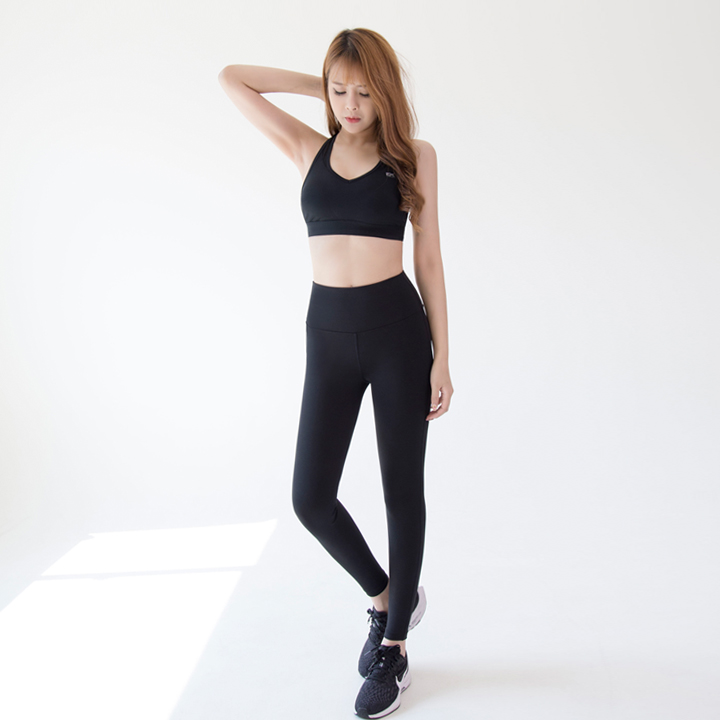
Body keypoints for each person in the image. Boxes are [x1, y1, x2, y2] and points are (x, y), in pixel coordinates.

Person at [218, 27, 453, 718]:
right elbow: (231, 78)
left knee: (400, 491)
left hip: (397, 335)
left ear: (386, 93)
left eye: (364, 92)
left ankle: (395, 646)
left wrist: (443, 355)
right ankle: (387, 596)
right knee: (310, 498)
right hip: (326, 336)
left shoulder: (414, 157)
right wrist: (319, 83)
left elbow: (430, 259)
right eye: (340, 91)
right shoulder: (307, 148)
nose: (350, 105)